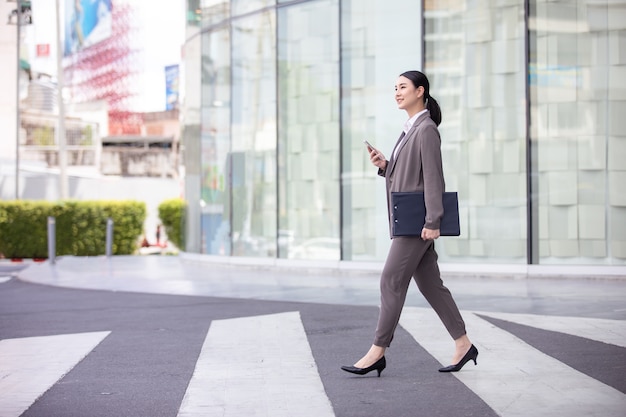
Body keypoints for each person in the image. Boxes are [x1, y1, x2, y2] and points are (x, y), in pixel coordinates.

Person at [341, 70, 477, 377]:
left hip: (418, 224)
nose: (397, 92)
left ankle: (377, 351)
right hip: (415, 222)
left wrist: (433, 220)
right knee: (430, 284)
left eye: (403, 87)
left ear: (420, 91)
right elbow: (410, 174)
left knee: (390, 280)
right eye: (395, 88)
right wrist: (386, 166)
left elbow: (432, 178)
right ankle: (463, 343)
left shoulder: (426, 129)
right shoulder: (410, 129)